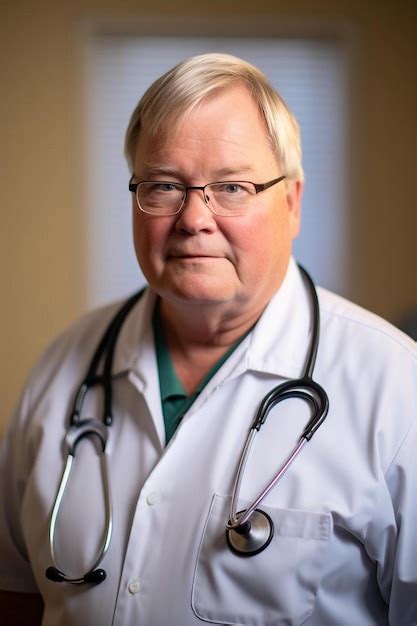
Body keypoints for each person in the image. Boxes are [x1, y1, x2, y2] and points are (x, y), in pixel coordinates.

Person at [0, 52, 416, 626]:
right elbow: (17, 593)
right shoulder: (61, 368)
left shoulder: (397, 390)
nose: (194, 218)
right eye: (164, 186)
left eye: (233, 187)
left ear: (292, 202)